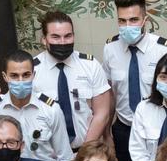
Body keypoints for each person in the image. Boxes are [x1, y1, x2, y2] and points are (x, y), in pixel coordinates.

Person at [101, 0, 167, 161]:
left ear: (145, 19)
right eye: (122, 21)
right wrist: (108, 132)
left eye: (134, 20)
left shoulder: (164, 49)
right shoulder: (110, 49)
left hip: (156, 129)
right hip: (125, 128)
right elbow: (109, 92)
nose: (128, 26)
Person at [32, 10, 113, 150]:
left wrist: (84, 152)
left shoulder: (90, 65)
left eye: (68, 36)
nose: (62, 42)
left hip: (85, 150)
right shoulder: (32, 70)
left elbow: (102, 113)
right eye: (55, 37)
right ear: (44, 39)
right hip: (47, 155)